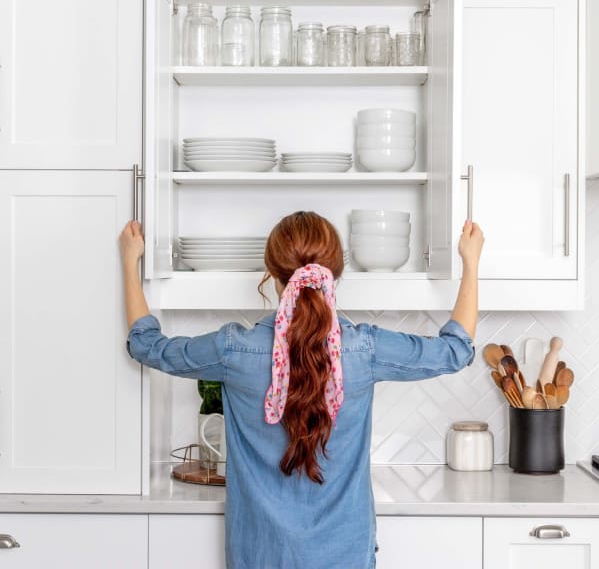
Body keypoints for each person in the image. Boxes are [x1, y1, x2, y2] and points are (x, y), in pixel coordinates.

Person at [120, 211, 484, 569]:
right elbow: (456, 350)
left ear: (271, 276)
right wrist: (470, 263)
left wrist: (129, 263)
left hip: (258, 555)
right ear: (335, 276)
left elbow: (146, 345)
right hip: (346, 555)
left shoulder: (232, 349)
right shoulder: (365, 348)